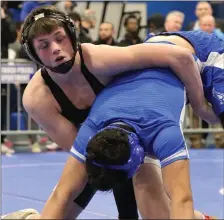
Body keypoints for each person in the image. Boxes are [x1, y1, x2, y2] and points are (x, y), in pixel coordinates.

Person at [2, 5, 220, 219]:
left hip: (147, 118)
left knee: (155, 212)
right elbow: (84, 162)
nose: (55, 49)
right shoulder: (37, 99)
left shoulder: (97, 58)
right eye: (44, 45)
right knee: (69, 199)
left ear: (72, 35)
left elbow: (179, 56)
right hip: (99, 137)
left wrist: (200, 105)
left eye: (60, 38)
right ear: (34, 53)